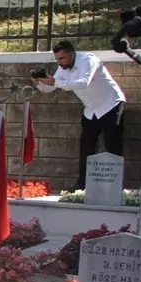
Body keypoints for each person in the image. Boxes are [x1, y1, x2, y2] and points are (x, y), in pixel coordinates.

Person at [34, 39, 126, 189]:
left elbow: (83, 82)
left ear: (72, 54)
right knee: (86, 147)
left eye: (62, 58)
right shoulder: (63, 67)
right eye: (57, 59)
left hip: (111, 104)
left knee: (113, 146)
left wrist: (55, 82)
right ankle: (82, 186)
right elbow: (51, 87)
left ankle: (116, 187)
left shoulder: (88, 60)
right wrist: (39, 83)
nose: (59, 62)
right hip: (91, 110)